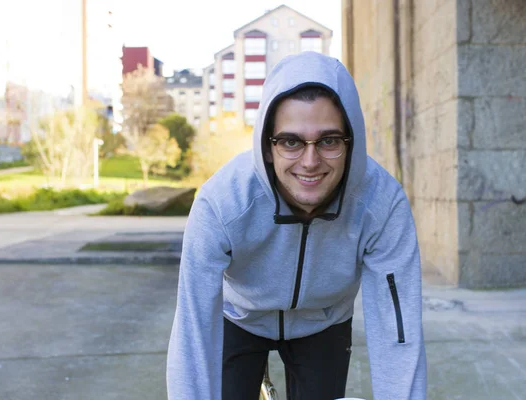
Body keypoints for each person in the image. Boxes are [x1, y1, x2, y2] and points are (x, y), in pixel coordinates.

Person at [166, 51, 427, 400]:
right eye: (291, 141)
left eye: (329, 141)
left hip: (324, 321)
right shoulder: (222, 202)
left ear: (352, 143)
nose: (310, 162)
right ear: (268, 146)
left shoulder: (382, 204)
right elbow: (192, 333)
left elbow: (399, 334)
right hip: (240, 317)